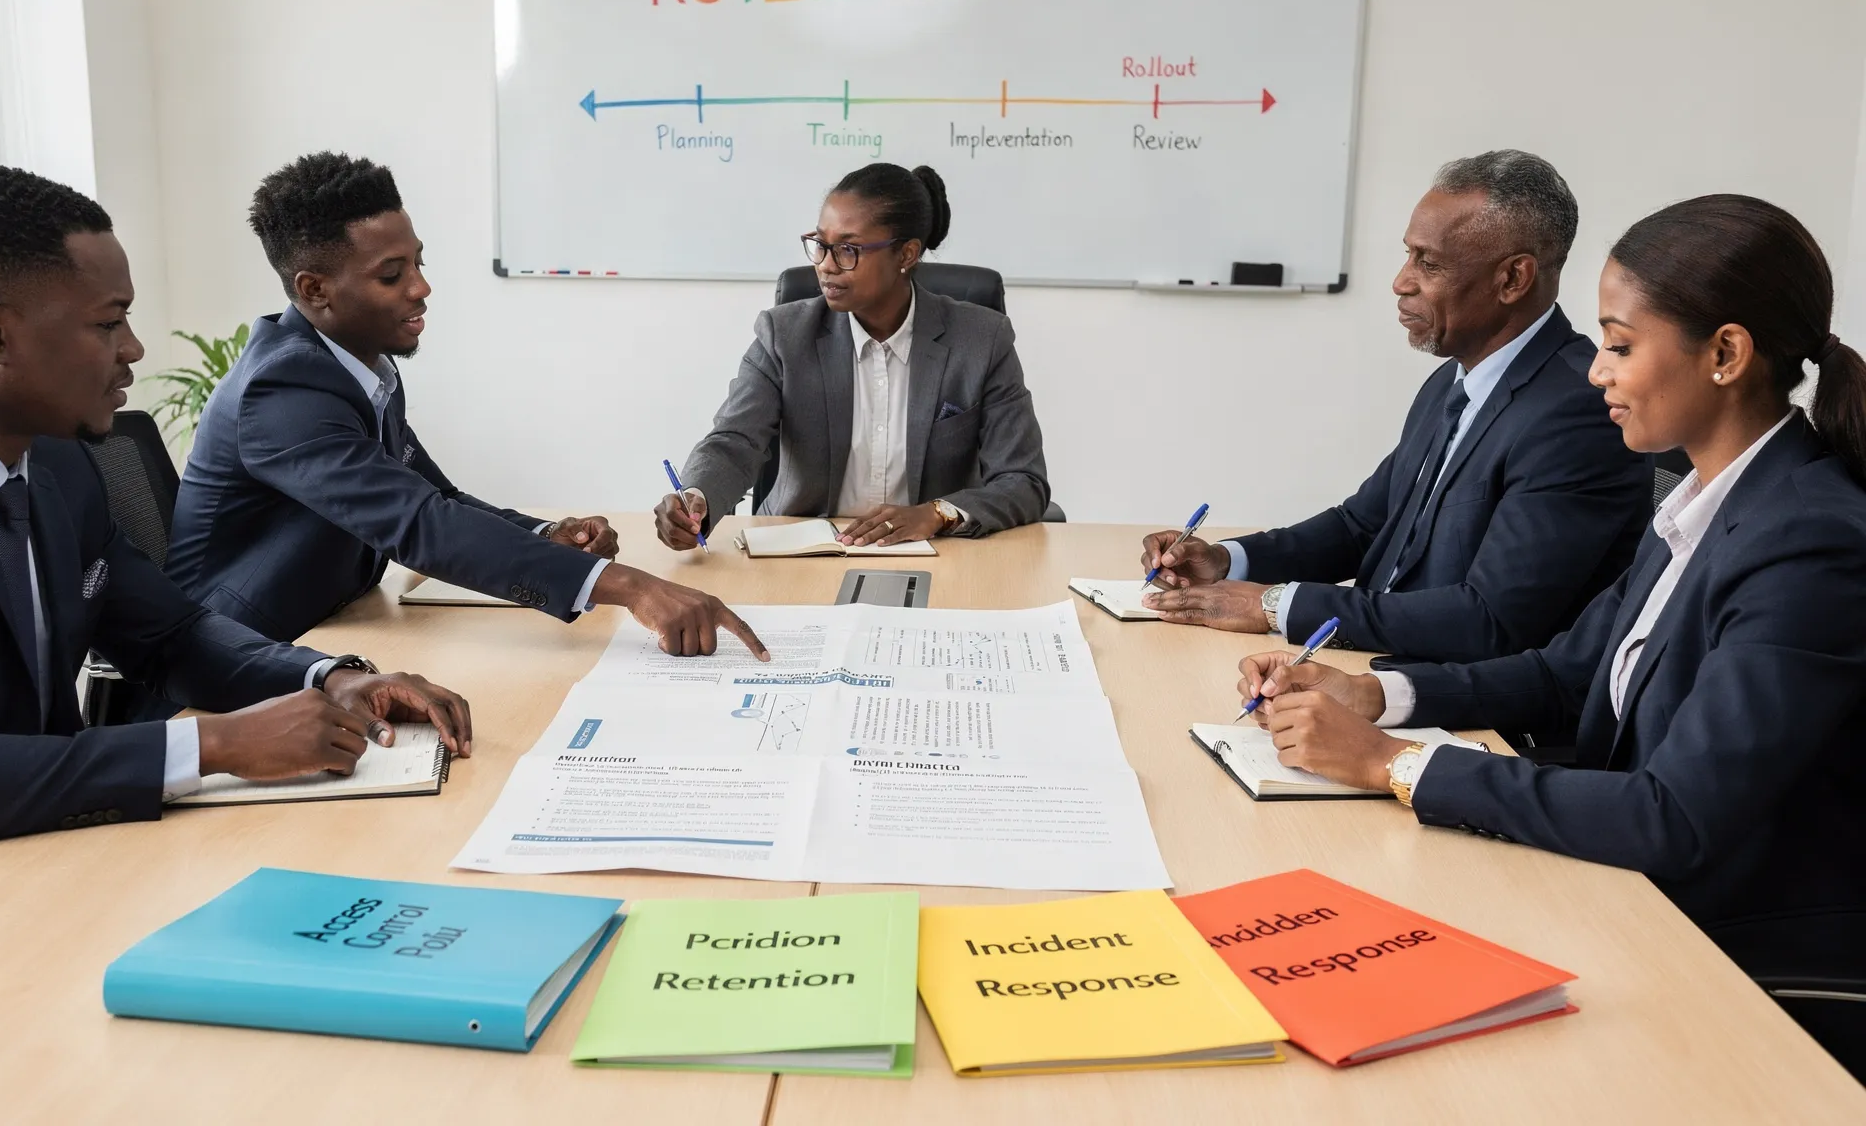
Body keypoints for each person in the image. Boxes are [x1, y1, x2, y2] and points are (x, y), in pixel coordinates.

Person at [1237, 195, 1866, 1076]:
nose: (1595, 373)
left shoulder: (1809, 539)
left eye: (1618, 345)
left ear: (1725, 354)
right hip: (1627, 891)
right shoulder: (1700, 502)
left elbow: (1674, 815)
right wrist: (1376, 694)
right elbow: (1568, 673)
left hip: (1732, 943)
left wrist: (1392, 763)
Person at [0, 166, 475, 926]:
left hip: (38, 858)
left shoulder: (56, 458)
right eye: (107, 324)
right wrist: (211, 746)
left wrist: (329, 677)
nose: (133, 349)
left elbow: (169, 633)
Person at [167, 152, 766, 659]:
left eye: (418, 263)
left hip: (331, 629)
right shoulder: (283, 390)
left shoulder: (362, 364)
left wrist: (545, 533)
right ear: (315, 290)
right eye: (391, 275)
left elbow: (437, 497)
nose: (421, 287)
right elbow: (419, 524)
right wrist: (632, 588)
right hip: (237, 662)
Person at [1141, 151, 1650, 663]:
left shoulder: (1579, 412)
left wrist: (1276, 605)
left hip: (1468, 710)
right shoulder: (1453, 381)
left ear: (1513, 279)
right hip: (1376, 662)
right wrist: (1228, 560)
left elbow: (1490, 621)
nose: (1401, 281)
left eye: (1428, 263)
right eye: (1408, 256)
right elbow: (1363, 525)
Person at [654, 162, 1049, 550]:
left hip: (935, 553)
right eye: (821, 245)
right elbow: (734, 441)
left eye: (847, 249)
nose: (826, 266)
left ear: (907, 254)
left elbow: (1023, 480)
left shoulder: (981, 340)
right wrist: (697, 497)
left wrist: (936, 513)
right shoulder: (784, 336)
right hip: (802, 554)